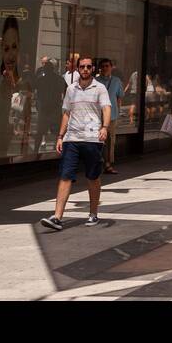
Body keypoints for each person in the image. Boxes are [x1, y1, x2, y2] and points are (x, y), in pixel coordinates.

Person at [39, 57, 111, 231]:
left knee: (93, 177)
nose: (85, 69)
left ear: (92, 69)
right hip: (72, 139)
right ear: (78, 69)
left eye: (88, 67)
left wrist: (105, 127)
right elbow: (66, 113)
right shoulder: (71, 89)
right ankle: (57, 217)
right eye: (82, 67)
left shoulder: (99, 88)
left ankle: (93, 213)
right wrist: (60, 136)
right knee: (65, 175)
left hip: (92, 139)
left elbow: (106, 108)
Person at [94, 58, 123, 174]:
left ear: (111, 67)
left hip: (112, 116)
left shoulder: (116, 81)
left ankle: (108, 164)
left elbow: (119, 97)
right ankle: (96, 162)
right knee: (97, 140)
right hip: (97, 115)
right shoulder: (95, 81)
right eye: (103, 66)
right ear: (100, 68)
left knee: (110, 140)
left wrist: (118, 111)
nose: (105, 68)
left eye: (107, 66)